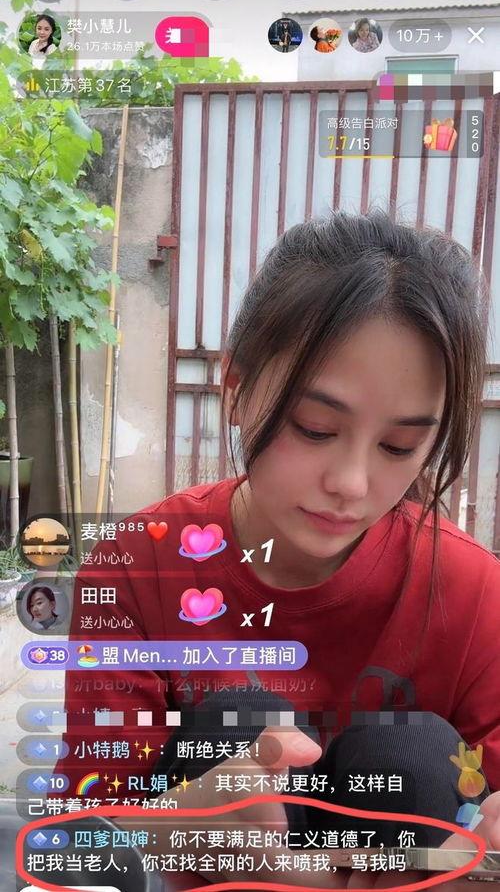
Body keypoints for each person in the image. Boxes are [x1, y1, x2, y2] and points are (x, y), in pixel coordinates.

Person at [56, 211, 500, 887]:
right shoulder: (137, 566)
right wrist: (179, 826)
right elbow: (79, 830)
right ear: (235, 389)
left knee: (414, 754)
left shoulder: (472, 591)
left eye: (399, 446)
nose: (350, 484)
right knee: (240, 722)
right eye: (315, 428)